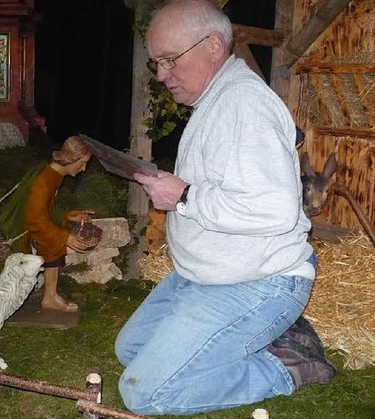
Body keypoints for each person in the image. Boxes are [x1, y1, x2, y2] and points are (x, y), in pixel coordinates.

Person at [114, 0, 336, 415]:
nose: (162, 75)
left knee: (144, 393)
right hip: (204, 278)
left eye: (169, 60)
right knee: (132, 350)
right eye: (156, 64)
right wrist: (176, 189)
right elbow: (226, 188)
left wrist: (183, 196)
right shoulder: (216, 99)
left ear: (213, 45)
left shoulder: (243, 107)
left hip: (258, 282)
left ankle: (286, 366)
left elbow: (277, 211)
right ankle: (255, 336)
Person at [22, 135, 93, 312]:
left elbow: (45, 210)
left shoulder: (55, 175)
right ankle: (50, 297)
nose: (84, 169)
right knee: (56, 238)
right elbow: (34, 219)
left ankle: (50, 297)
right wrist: (65, 236)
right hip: (18, 231)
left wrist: (67, 216)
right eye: (82, 163)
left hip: (30, 223)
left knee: (55, 240)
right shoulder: (44, 181)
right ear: (71, 159)